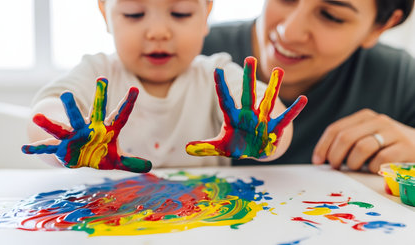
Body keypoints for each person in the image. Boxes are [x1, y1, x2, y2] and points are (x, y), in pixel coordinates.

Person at [24, 0, 306, 171]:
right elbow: (49, 108)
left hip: (204, 219)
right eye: (134, 14)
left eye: (180, 13)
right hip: (109, 220)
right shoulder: (97, 71)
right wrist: (67, 135)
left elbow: (265, 107)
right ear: (105, 14)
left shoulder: (216, 74)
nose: (158, 32)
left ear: (206, 13)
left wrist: (264, 131)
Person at [202, 0, 415, 173]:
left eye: (331, 16)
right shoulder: (187, 53)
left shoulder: (400, 79)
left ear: (381, 26)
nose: (289, 32)